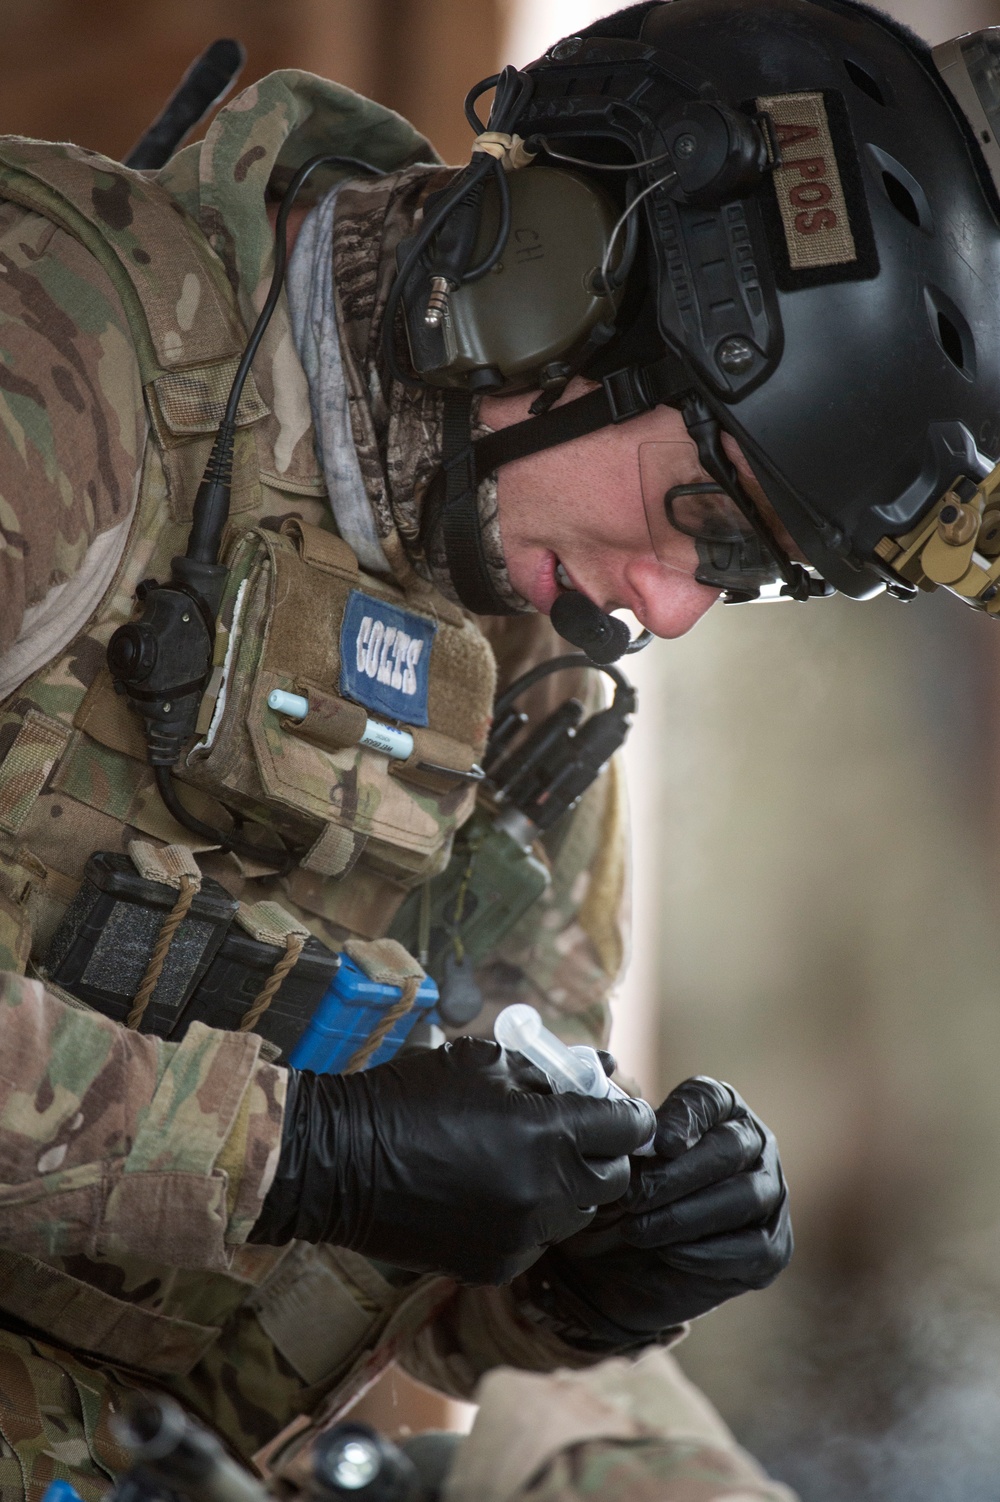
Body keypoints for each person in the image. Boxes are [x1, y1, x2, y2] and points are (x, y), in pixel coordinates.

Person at [10, 0, 995, 1492]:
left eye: (742, 575)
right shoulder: (59, 349)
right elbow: (315, 1167)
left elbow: (402, 1303)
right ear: (550, 291)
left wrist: (569, 1270)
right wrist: (303, 1149)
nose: (669, 612)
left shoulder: (536, 676)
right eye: (703, 519)